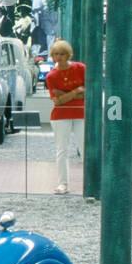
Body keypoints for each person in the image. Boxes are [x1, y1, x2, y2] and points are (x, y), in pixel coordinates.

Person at [45, 39, 85, 195]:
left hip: (81, 112)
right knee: (62, 149)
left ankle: (90, 181)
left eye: (62, 54)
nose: (59, 57)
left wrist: (64, 94)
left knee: (85, 147)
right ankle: (62, 183)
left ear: (68, 55)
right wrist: (76, 92)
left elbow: (89, 90)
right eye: (56, 54)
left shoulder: (81, 68)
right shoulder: (51, 76)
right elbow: (57, 101)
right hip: (60, 115)